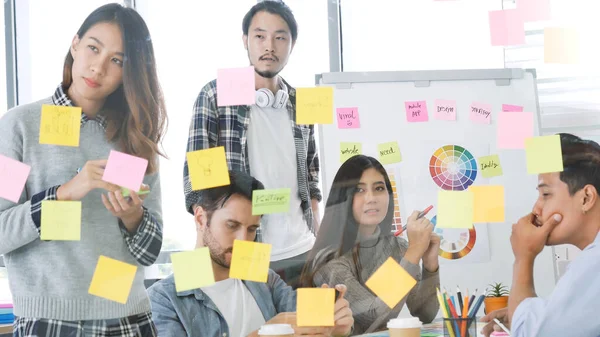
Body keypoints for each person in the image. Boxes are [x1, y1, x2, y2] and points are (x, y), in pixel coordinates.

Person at [0, 4, 166, 336]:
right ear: (75, 44)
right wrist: (63, 193)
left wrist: (132, 217)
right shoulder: (19, 125)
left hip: (129, 320)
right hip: (49, 322)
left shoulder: (134, 138)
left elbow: (150, 252)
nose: (98, 67)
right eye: (93, 47)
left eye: (117, 60)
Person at [183, 1, 321, 286]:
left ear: (291, 45)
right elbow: (198, 183)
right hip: (243, 249)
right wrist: (200, 261)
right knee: (253, 329)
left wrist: (319, 242)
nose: (269, 46)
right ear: (245, 40)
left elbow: (312, 175)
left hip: (303, 251)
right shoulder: (214, 95)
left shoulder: (301, 102)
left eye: (280, 37)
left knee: (310, 330)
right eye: (260, 36)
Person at [149, 171, 353, 337]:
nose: (243, 240)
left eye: (252, 229)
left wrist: (335, 325)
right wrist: (263, 334)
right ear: (201, 219)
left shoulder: (264, 279)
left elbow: (307, 322)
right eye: (232, 225)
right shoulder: (162, 298)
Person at [299, 155, 440, 335]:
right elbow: (372, 319)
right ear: (343, 198)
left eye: (379, 188)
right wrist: (413, 253)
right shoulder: (328, 259)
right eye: (359, 190)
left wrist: (430, 266)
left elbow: (424, 314)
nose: (371, 198)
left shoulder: (397, 247)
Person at [506, 133, 600, 337]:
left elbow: (529, 334)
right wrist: (544, 314)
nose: (536, 209)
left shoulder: (595, 262)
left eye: (546, 195)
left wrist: (524, 257)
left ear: (586, 198)